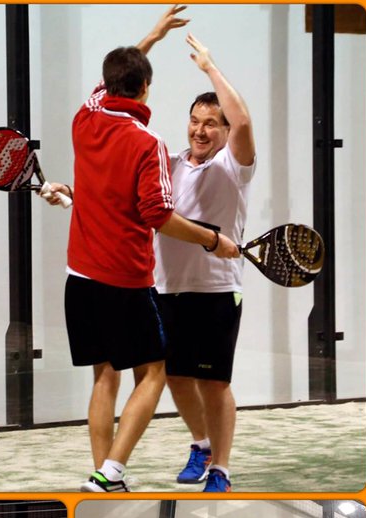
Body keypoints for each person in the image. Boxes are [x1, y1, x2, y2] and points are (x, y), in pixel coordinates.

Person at [41, 4, 239, 493]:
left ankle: (101, 474)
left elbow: (116, 79)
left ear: (107, 85)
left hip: (78, 278)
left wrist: (150, 36)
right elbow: (158, 216)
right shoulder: (146, 142)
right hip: (126, 282)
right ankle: (112, 471)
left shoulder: (83, 118)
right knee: (153, 372)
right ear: (146, 88)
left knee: (103, 377)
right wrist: (214, 240)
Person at [152, 23, 256, 493]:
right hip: (168, 289)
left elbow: (246, 123)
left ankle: (222, 470)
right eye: (195, 120)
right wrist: (69, 193)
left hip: (217, 291)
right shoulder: (169, 163)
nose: (200, 129)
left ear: (225, 132)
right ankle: (200, 445)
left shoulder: (234, 166)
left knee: (214, 385)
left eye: (211, 123)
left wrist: (210, 66)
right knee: (175, 376)